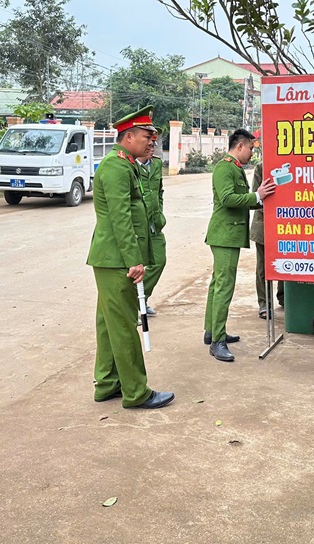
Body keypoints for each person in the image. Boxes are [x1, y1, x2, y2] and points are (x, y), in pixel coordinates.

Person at [86, 105, 173, 409]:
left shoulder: (126, 164)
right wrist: (134, 261)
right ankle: (136, 391)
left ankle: (108, 383)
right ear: (128, 137)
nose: (152, 141)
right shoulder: (115, 167)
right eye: (146, 136)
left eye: (152, 136)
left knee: (108, 323)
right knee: (123, 325)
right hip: (115, 259)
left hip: (112, 258)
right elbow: (121, 218)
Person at [204, 129, 276, 362]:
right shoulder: (225, 167)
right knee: (224, 286)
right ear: (240, 146)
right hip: (224, 234)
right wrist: (257, 196)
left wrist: (261, 198)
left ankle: (213, 331)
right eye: (252, 149)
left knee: (217, 284)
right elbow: (227, 199)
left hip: (228, 235)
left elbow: (242, 200)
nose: (252, 153)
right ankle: (217, 342)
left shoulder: (234, 167)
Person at [137, 130, 165, 317]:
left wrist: (159, 213)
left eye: (153, 143)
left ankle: (141, 299)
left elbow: (159, 191)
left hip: (155, 223)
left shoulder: (156, 164)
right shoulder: (128, 166)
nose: (151, 146)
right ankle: (133, 305)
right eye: (147, 142)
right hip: (137, 226)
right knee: (135, 267)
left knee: (159, 261)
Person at [250, 161, 283, 319]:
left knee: (286, 261)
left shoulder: (291, 165)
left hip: (286, 224)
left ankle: (284, 297)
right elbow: (256, 198)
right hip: (264, 224)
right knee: (263, 266)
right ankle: (264, 303)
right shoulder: (262, 167)